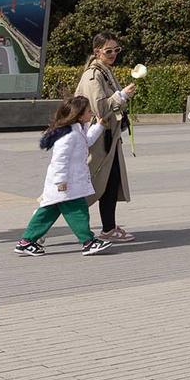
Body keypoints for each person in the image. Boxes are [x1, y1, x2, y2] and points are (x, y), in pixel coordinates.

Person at [15, 97, 111, 257]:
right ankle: (88, 242)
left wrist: (99, 126)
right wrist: (60, 181)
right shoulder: (69, 135)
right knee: (78, 211)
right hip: (65, 184)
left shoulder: (77, 130)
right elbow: (59, 160)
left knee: (47, 213)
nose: (91, 113)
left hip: (69, 183)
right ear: (79, 115)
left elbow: (87, 141)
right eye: (88, 111)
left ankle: (26, 242)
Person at [74, 34, 141, 243]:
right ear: (97, 52)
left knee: (110, 183)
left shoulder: (105, 72)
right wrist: (122, 96)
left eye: (116, 50)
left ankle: (109, 228)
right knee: (79, 187)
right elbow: (100, 108)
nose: (113, 54)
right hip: (97, 139)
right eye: (108, 51)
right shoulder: (94, 75)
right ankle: (37, 227)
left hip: (107, 139)